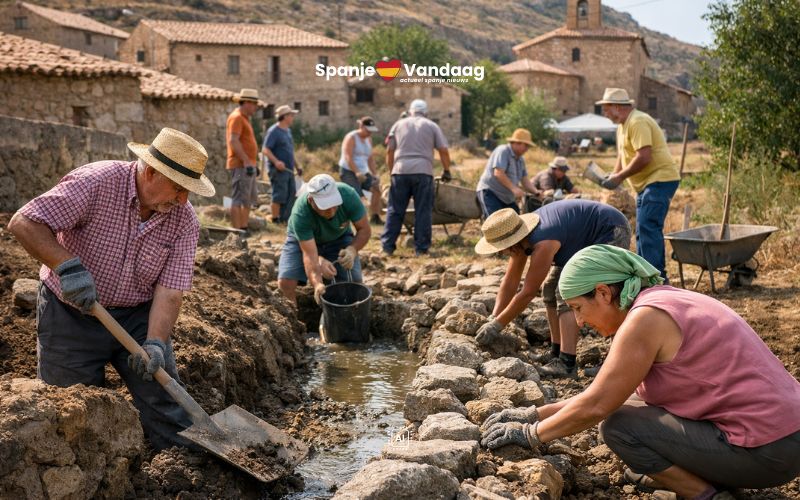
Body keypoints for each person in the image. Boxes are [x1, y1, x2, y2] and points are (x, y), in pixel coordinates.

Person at [481, 245, 800, 500]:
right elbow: (609, 395)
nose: (579, 322)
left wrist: (529, 434)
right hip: (783, 437)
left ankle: (707, 495)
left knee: (619, 428)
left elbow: (598, 406)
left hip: (768, 451)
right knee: (631, 409)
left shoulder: (644, 320)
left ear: (603, 293)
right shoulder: (664, 299)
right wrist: (533, 414)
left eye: (578, 308)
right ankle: (702, 476)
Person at [7, 128, 215, 450]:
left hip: (137, 318)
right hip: (70, 317)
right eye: (178, 188)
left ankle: (185, 462)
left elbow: (170, 291)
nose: (183, 200)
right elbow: (25, 222)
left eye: (188, 191)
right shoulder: (96, 182)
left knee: (168, 408)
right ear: (151, 172)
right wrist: (67, 267)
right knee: (71, 413)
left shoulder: (184, 221)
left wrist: (155, 342)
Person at [474, 200, 630, 378]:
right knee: (549, 288)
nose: (500, 253)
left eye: (500, 249)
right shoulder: (521, 241)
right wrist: (494, 316)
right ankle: (556, 352)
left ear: (510, 243)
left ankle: (568, 364)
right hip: (580, 240)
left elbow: (528, 293)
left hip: (609, 229)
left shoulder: (543, 242)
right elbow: (510, 282)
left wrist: (496, 325)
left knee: (570, 292)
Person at [597, 88, 680, 280]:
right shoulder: (623, 126)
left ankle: (656, 279)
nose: (605, 113)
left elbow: (644, 157)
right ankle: (646, 275)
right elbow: (623, 154)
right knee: (642, 229)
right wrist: (615, 175)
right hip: (648, 183)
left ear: (617, 107)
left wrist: (619, 177)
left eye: (606, 108)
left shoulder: (638, 121)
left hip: (659, 179)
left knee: (648, 227)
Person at [278, 174, 371, 306]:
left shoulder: (348, 195)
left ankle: (342, 315)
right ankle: (291, 317)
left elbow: (364, 230)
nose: (331, 211)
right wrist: (317, 284)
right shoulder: (301, 213)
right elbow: (309, 255)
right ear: (311, 200)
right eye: (325, 206)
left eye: (334, 204)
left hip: (339, 237)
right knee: (286, 282)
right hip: (302, 241)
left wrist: (352, 250)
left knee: (353, 282)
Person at [380, 99, 451, 256]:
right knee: (423, 211)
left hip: (400, 171)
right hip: (423, 172)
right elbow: (443, 150)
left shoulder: (398, 125)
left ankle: (387, 247)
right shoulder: (431, 125)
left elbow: (389, 151)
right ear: (426, 113)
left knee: (395, 210)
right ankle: (421, 249)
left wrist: (392, 171)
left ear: (410, 111)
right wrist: (447, 170)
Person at [475, 128, 542, 219]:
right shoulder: (503, 151)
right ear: (517, 143)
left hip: (507, 197)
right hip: (490, 192)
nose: (527, 149)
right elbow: (498, 173)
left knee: (516, 221)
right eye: (526, 145)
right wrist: (515, 189)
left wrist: (536, 192)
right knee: (495, 222)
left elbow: (525, 180)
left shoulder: (520, 159)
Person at [226, 88, 261, 231]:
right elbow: (233, 141)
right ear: (247, 102)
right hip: (241, 165)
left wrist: (252, 162)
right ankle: (237, 231)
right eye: (254, 104)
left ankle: (244, 228)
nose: (255, 107)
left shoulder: (244, 118)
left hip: (248, 165)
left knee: (247, 200)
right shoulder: (236, 117)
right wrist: (246, 161)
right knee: (238, 199)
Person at [339, 116, 383, 225]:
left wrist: (375, 174)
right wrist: (357, 172)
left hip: (363, 171)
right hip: (348, 171)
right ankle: (354, 222)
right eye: (368, 130)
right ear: (361, 126)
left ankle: (375, 217)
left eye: (371, 131)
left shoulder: (369, 139)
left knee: (376, 189)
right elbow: (348, 157)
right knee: (356, 196)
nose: (370, 133)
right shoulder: (351, 137)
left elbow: (370, 159)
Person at [263, 104, 302, 224]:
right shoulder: (274, 131)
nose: (293, 117)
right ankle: (275, 219)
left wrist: (297, 166)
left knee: (291, 195)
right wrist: (276, 162)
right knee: (279, 195)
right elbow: (265, 149)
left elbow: (290, 151)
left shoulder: (288, 131)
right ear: (284, 116)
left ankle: (285, 220)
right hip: (278, 170)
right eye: (291, 115)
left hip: (289, 170)